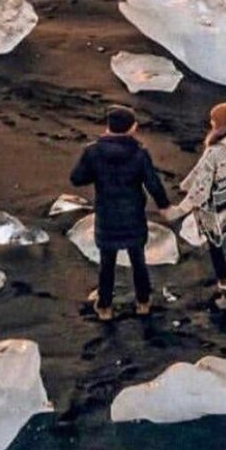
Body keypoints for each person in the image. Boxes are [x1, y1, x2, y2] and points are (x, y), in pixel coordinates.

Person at [69, 106, 169, 321]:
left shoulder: (93, 151)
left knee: (107, 263)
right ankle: (143, 303)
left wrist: (96, 173)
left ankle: (104, 306)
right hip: (133, 213)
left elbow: (77, 178)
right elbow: (153, 184)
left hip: (107, 214)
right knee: (138, 260)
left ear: (109, 126)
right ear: (132, 127)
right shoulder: (140, 153)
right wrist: (164, 206)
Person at [165, 101, 226, 309]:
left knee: (216, 248)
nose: (210, 122)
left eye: (213, 119)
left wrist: (180, 209)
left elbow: (201, 187)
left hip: (215, 210)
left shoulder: (214, 152)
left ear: (219, 123)